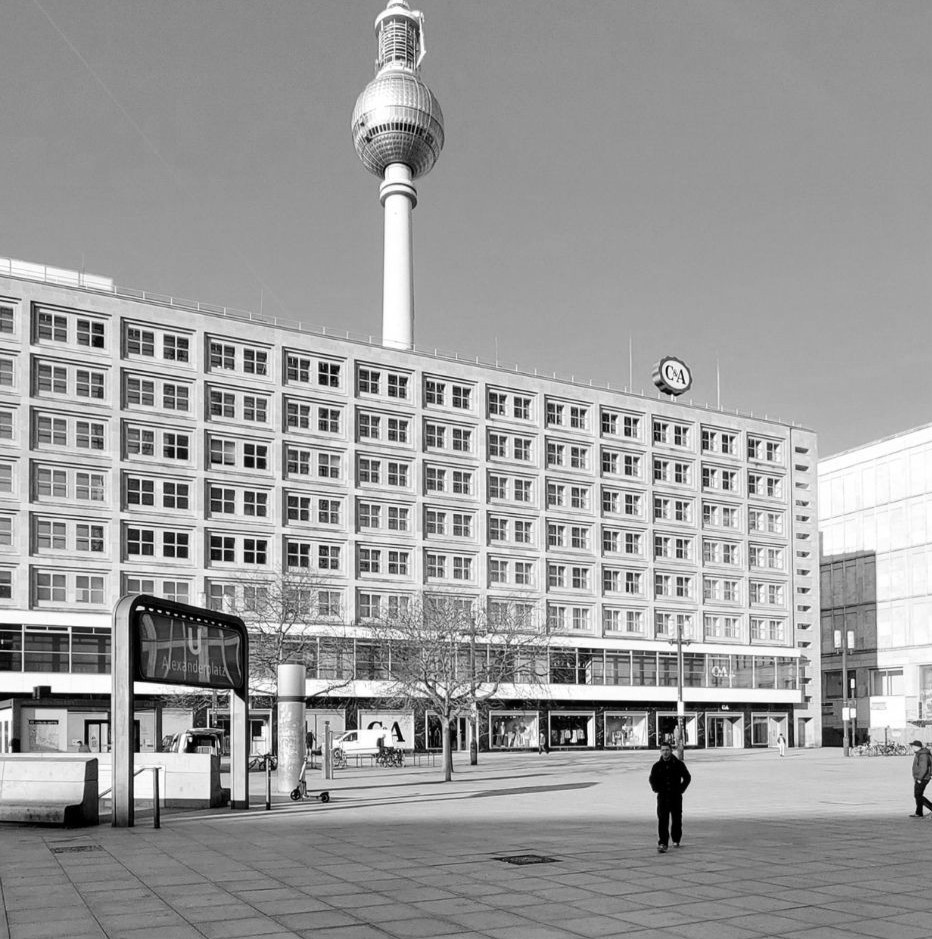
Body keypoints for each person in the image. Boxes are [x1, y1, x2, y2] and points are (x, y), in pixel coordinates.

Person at [649, 742, 691, 853]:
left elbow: (687, 777)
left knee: (676, 819)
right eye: (663, 750)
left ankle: (676, 839)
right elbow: (652, 779)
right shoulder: (657, 766)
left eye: (667, 750)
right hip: (663, 796)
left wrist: (681, 789)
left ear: (671, 751)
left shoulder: (678, 764)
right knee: (663, 820)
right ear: (660, 752)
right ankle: (663, 843)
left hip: (676, 796)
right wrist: (656, 788)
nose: (665, 752)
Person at [908, 739, 932, 818]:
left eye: (913, 746)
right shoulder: (919, 754)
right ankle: (918, 813)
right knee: (918, 795)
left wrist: (919, 778)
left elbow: (924, 768)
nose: (912, 747)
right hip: (920, 778)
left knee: (918, 795)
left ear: (916, 747)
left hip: (923, 778)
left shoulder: (923, 755)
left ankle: (921, 811)